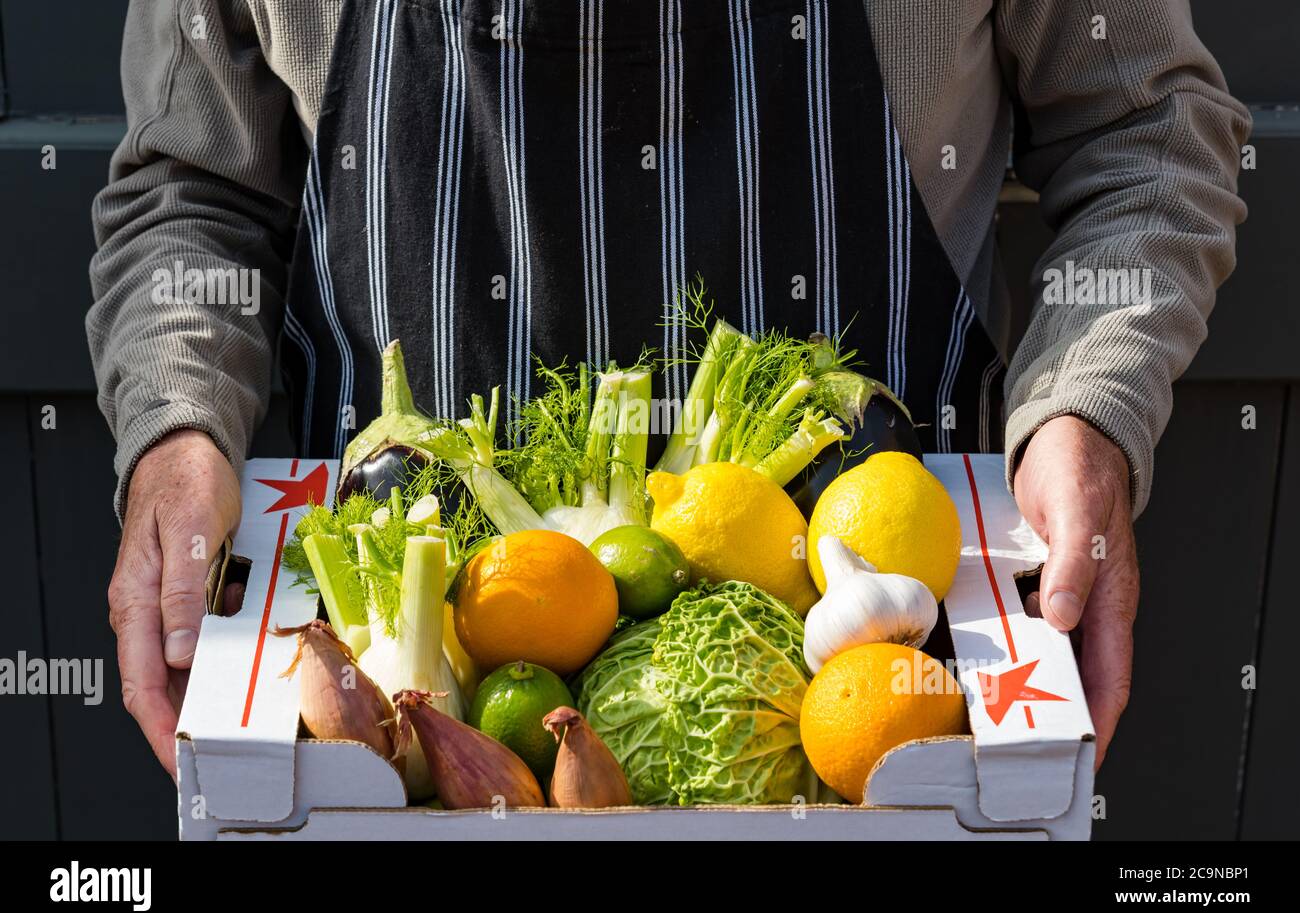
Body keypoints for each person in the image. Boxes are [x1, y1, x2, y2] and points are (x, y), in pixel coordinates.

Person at [89, 0, 1250, 778]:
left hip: (888, 712)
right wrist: (176, 430)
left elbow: (1145, 126)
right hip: (406, 717)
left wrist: (1086, 408)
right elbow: (195, 186)